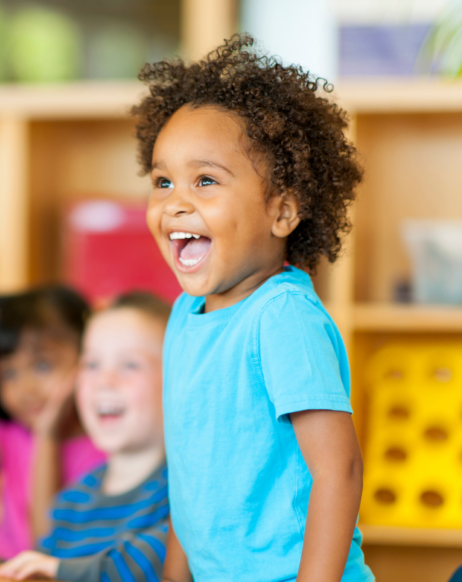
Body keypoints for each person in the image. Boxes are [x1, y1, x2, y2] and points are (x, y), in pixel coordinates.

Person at [134, 34, 375, 582]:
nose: (175, 201)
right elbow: (190, 481)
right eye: (163, 180)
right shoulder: (184, 315)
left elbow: (339, 472)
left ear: (284, 211)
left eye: (206, 181)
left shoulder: (281, 316)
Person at [0, 292, 170, 582]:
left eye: (129, 365)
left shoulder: (184, 493)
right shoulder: (72, 500)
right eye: (91, 365)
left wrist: (58, 570)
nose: (104, 380)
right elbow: (42, 565)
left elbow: (151, 561)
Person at [0, 286, 105, 564]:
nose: (25, 389)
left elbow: (48, 545)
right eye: (7, 373)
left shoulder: (108, 445)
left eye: (43, 366)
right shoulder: (10, 437)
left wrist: (48, 436)